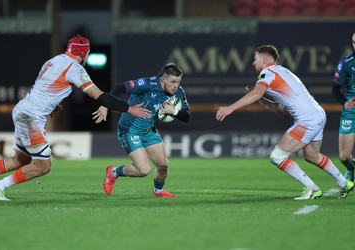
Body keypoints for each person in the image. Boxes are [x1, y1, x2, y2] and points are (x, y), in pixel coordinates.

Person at [0, 35, 150, 201]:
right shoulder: (75, 68)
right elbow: (98, 95)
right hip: (31, 117)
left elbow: (44, 86)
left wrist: (53, 103)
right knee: (43, 166)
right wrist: (128, 108)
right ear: (83, 54)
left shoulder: (52, 61)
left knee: (20, 160)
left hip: (22, 109)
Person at [216, 45, 354, 200]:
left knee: (277, 157)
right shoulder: (283, 72)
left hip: (307, 120)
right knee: (312, 155)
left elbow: (256, 92)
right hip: (318, 114)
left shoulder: (266, 73)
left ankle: (312, 188)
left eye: (255, 60)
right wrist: (260, 97)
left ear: (263, 59)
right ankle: (344, 183)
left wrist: (231, 108)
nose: (254, 64)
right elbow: (279, 109)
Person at [93, 63, 190, 198]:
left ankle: (157, 192)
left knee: (163, 165)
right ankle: (114, 172)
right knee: (144, 170)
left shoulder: (179, 91)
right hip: (130, 130)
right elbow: (119, 87)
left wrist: (174, 111)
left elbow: (187, 117)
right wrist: (105, 105)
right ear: (162, 79)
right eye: (173, 81)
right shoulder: (147, 84)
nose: (176, 86)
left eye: (178, 82)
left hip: (149, 130)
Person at [332, 32, 355, 182]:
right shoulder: (346, 63)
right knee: (344, 156)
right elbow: (335, 89)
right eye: (354, 42)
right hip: (351, 112)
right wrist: (344, 102)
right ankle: (350, 167)